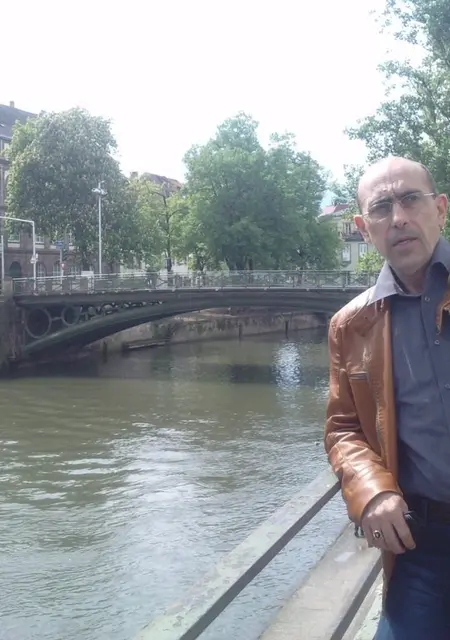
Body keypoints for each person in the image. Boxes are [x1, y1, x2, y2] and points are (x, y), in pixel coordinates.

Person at [324, 156, 450, 639]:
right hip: (423, 543)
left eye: (411, 199)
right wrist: (371, 491)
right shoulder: (351, 326)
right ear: (364, 228)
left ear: (440, 209)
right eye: (381, 208)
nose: (398, 217)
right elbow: (343, 429)